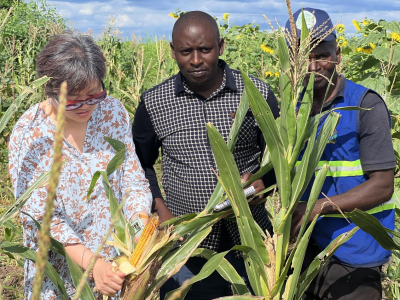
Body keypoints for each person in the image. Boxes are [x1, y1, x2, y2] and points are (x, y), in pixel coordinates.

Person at [132, 11, 279, 299]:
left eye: (205, 50)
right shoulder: (154, 102)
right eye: (186, 51)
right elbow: (139, 164)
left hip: (251, 237)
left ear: (221, 47)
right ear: (173, 51)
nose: (196, 60)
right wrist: (160, 209)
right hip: (186, 243)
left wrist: (266, 181)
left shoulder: (255, 93)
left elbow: (278, 153)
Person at [8, 31, 153, 299]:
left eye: (93, 94)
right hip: (58, 277)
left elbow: (132, 181)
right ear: (49, 88)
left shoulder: (112, 112)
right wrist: (92, 264)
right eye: (73, 99)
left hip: (114, 270)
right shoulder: (31, 134)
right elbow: (40, 218)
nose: (86, 106)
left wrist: (139, 228)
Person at [287, 8, 396, 300]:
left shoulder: (364, 106)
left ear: (337, 53)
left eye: (320, 54)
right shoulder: (293, 109)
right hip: (306, 250)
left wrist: (315, 208)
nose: (313, 66)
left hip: (355, 251)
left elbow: (383, 185)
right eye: (303, 57)